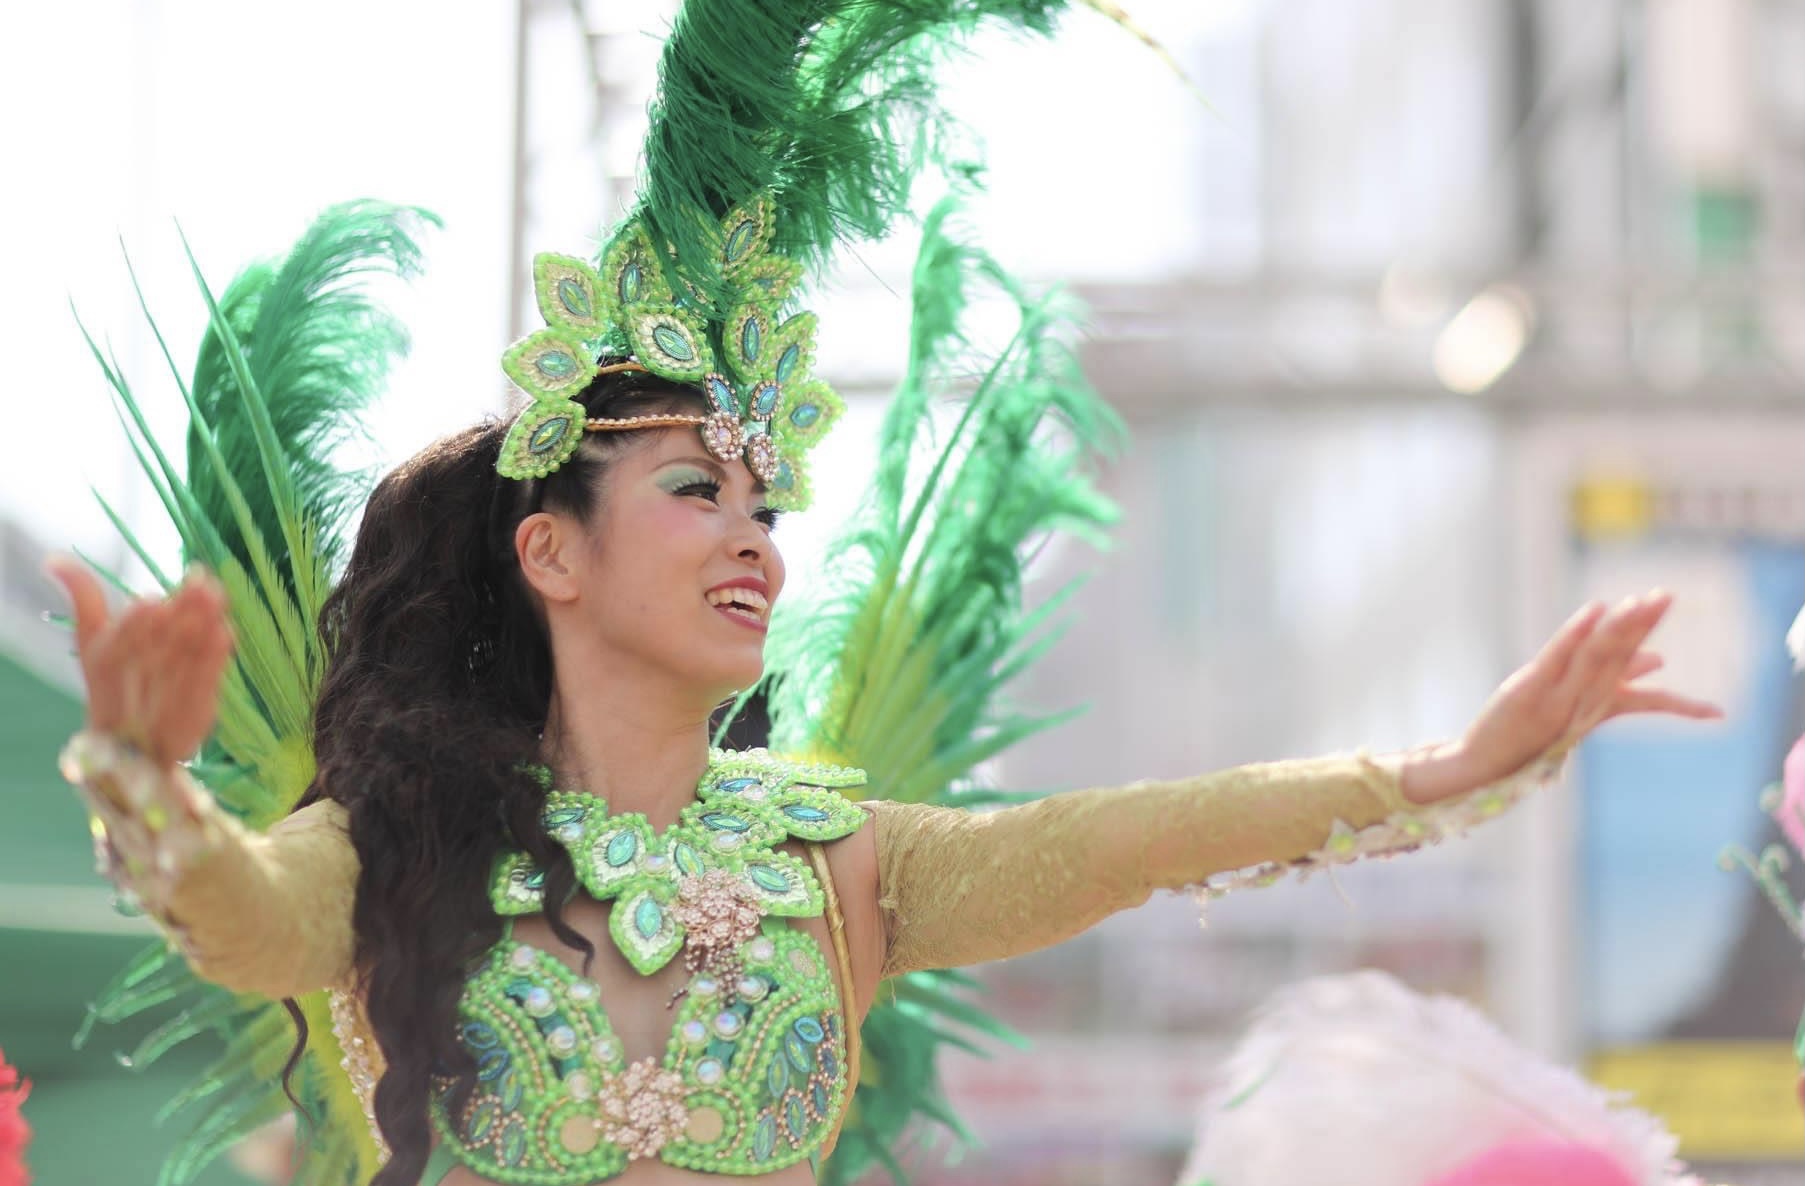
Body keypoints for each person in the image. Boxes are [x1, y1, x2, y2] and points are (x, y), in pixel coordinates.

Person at [46, 4, 1722, 1185]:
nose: (754, 540)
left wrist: (1441, 770)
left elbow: (1142, 836)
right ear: (549, 552)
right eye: (694, 492)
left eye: (766, 503)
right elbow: (242, 916)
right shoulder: (398, 840)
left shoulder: (837, 863)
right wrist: (142, 775)